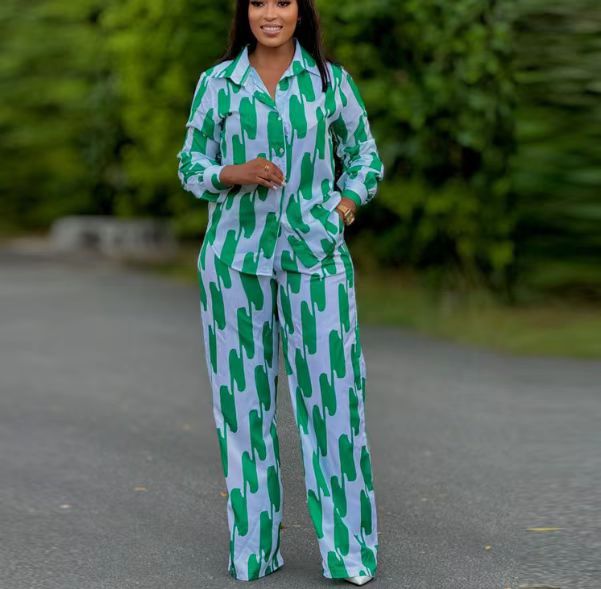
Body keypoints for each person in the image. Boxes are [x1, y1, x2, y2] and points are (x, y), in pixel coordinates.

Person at [176, 0, 384, 584]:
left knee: (335, 405)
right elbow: (190, 164)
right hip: (233, 262)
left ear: (301, 11)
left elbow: (365, 157)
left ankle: (349, 554)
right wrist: (231, 173)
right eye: (259, 2)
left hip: (316, 259)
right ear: (245, 11)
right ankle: (254, 550)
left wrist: (342, 210)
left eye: (283, 2)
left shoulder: (329, 82)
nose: (271, 14)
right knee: (243, 410)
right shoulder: (218, 83)